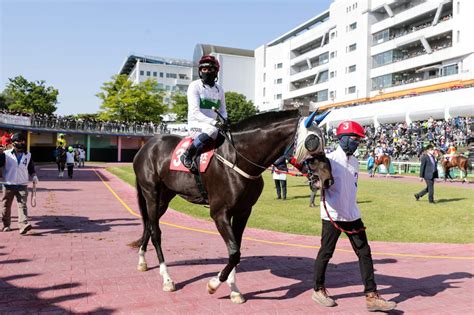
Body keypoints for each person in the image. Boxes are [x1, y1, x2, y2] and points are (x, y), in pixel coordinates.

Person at [312, 120, 396, 312]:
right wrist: (317, 184)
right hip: (332, 215)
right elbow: (315, 182)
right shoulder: (329, 160)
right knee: (326, 252)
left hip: (352, 214)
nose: (357, 142)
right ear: (342, 138)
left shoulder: (355, 162)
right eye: (354, 138)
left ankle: (371, 295)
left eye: (359, 139)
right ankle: (318, 289)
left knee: (364, 252)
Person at [180, 55, 228, 172]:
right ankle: (187, 154)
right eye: (204, 69)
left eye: (210, 69)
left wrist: (225, 120)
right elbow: (195, 112)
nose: (207, 72)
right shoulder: (194, 86)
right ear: (200, 71)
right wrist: (215, 123)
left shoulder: (219, 89)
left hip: (213, 126)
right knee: (211, 130)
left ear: (216, 72)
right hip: (196, 125)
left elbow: (223, 110)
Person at [0, 132, 39, 234]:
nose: (21, 143)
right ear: (13, 143)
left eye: (22, 141)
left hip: (22, 184)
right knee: (6, 205)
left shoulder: (28, 155)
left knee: (22, 205)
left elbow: (31, 168)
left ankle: (23, 225)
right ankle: (6, 224)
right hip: (8, 184)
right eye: (18, 141)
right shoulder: (5, 154)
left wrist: (34, 176)